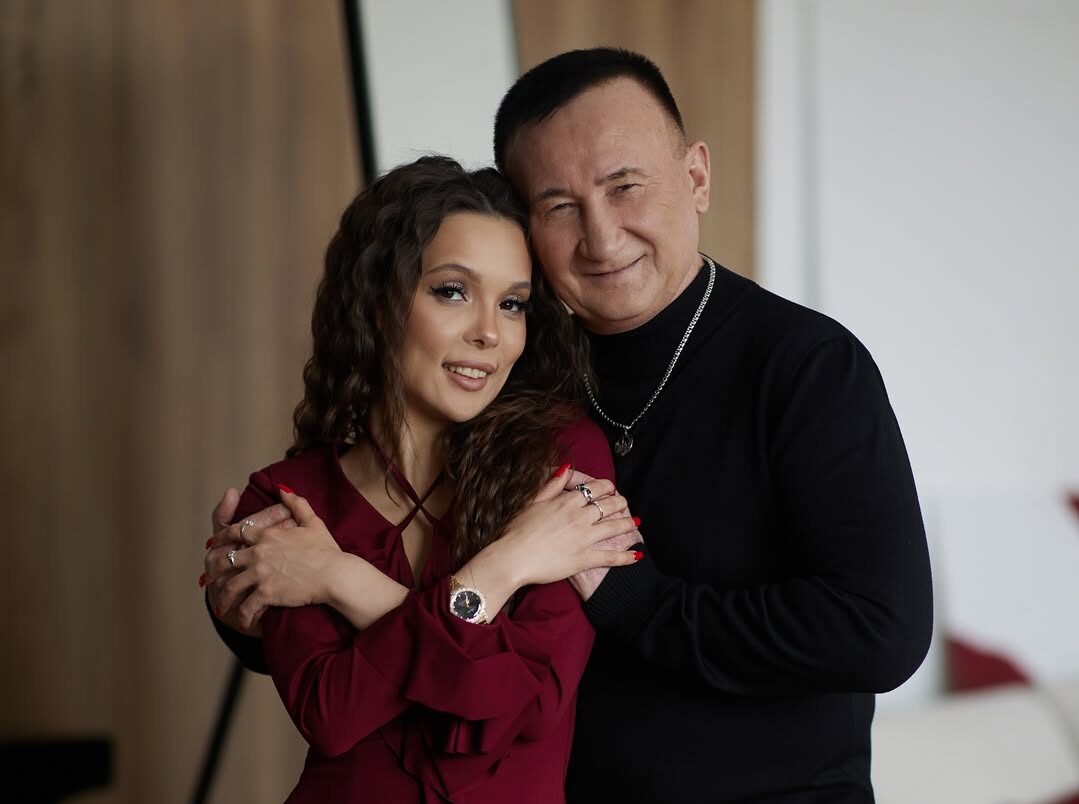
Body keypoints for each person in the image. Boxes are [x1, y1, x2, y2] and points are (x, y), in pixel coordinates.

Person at [207, 49, 933, 802]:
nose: (602, 236)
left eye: (625, 187)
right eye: (559, 207)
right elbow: (412, 609)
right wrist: (259, 594)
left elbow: (880, 631)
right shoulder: (506, 373)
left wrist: (630, 597)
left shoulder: (806, 367)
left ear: (695, 177)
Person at [202, 155, 643, 803]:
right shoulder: (290, 500)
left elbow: (525, 709)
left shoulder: (562, 462)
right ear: (380, 303)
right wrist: (501, 570)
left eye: (512, 304)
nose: (489, 333)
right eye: (452, 291)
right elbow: (330, 714)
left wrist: (340, 579)